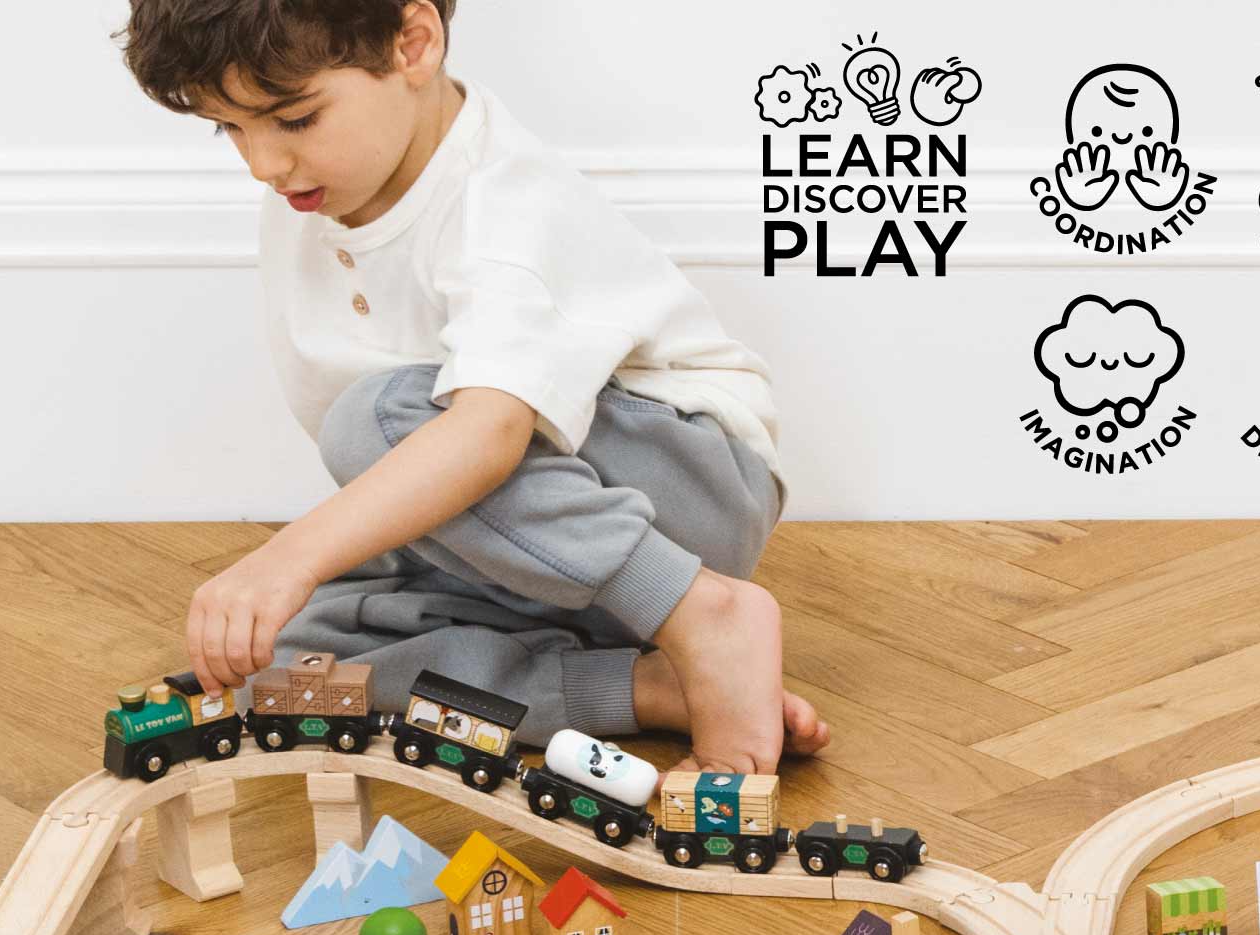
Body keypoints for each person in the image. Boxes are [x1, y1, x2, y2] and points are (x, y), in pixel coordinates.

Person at [114, 0, 829, 772]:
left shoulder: (503, 202)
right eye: (231, 128)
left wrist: (288, 558)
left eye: (294, 119)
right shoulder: (314, 192)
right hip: (532, 543)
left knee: (375, 422)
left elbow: (488, 432)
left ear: (413, 44)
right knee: (292, 669)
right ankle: (644, 688)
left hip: (687, 484)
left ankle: (705, 616)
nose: (263, 164)